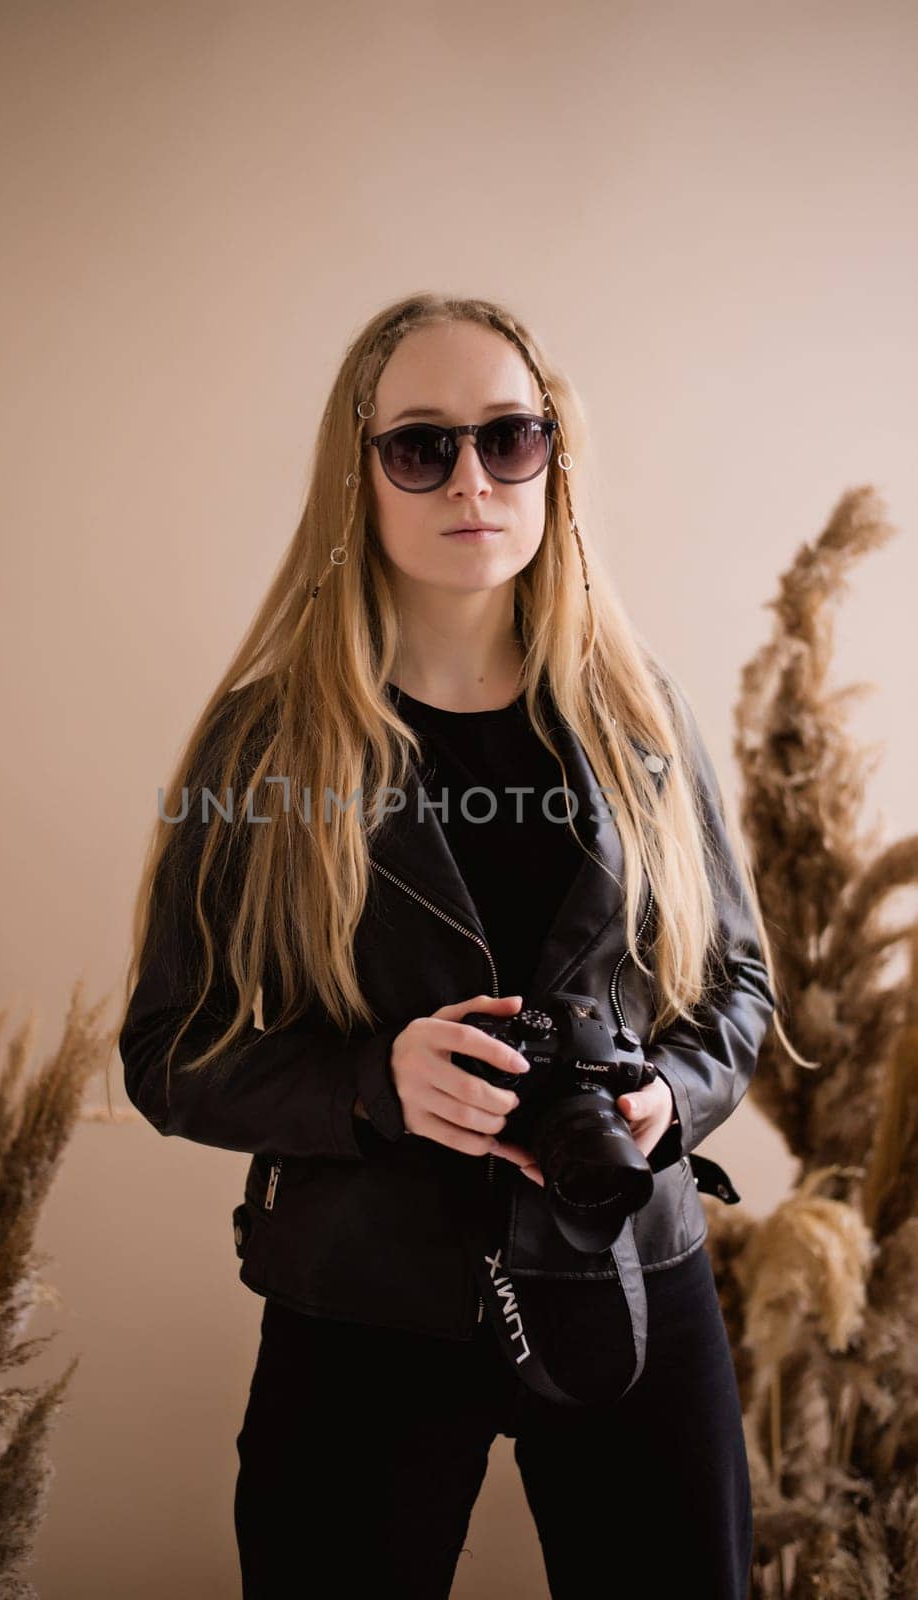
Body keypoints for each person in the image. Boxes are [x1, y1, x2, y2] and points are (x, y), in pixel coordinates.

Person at [118, 293, 787, 1599]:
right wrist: (377, 1087)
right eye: (420, 447)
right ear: (356, 473)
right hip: (364, 1302)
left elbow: (740, 996)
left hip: (631, 1279)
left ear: (555, 461)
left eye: (510, 439)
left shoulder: (644, 718)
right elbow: (167, 1050)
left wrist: (666, 1100)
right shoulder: (266, 747)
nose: (471, 479)